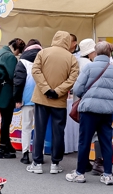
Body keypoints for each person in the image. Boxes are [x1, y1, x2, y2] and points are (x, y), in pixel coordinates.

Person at [65, 41, 113, 185]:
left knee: (84, 141)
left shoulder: (89, 67)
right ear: (110, 53)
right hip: (107, 111)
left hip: (89, 109)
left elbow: (77, 89)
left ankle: (80, 173)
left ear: (96, 52)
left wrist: (88, 95)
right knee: (106, 142)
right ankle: (108, 174)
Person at [28, 31, 80, 175]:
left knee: (39, 130)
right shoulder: (71, 58)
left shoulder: (43, 53)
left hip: (41, 98)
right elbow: (73, 78)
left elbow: (36, 70)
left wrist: (45, 89)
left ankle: (37, 163)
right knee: (58, 132)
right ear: (68, 41)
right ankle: (55, 164)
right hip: (59, 100)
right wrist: (57, 91)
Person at [0, 37, 25, 158]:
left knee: (4, 119)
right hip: (7, 91)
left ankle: (7, 144)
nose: (17, 55)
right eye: (18, 52)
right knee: (6, 121)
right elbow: (13, 76)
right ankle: (2, 148)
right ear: (16, 48)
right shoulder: (10, 57)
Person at [65, 38, 96, 170]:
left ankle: (84, 163)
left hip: (78, 101)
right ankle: (85, 164)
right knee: (90, 134)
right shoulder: (88, 64)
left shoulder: (76, 61)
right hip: (88, 101)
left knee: (83, 133)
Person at [13, 39, 41, 164]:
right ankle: (38, 154)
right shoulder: (44, 59)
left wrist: (18, 99)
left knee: (26, 127)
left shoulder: (22, 62)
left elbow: (18, 83)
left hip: (27, 99)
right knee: (40, 128)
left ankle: (25, 154)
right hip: (42, 100)